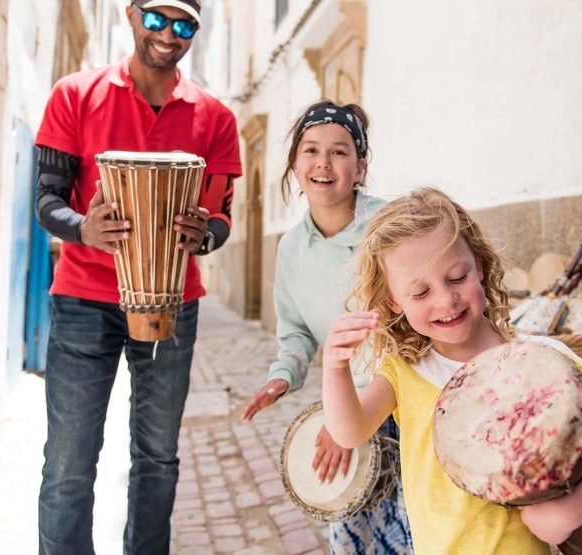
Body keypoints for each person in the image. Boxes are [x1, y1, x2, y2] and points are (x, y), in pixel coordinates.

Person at [321, 188, 582, 554]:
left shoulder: (538, 362)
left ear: (479, 265)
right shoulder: (405, 372)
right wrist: (335, 369)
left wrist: (569, 511)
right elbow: (350, 432)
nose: (446, 300)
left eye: (457, 277)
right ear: (393, 301)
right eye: (420, 293)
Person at [34, 1, 242, 553]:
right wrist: (83, 228)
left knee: (157, 458)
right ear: (131, 14)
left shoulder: (216, 117)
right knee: (68, 463)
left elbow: (222, 219)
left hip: (172, 302)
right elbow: (47, 201)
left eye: (183, 25)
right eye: (156, 19)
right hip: (83, 300)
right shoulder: (74, 94)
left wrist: (202, 235)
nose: (168, 34)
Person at [240, 101, 413, 553]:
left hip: (409, 399)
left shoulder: (394, 225)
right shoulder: (291, 249)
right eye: (311, 150)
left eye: (339, 152)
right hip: (350, 403)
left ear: (360, 168)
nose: (323, 163)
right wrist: (283, 376)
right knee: (357, 536)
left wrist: (351, 420)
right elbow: (296, 332)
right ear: (295, 165)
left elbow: (418, 321)